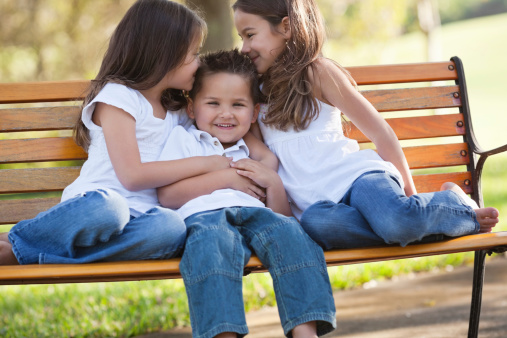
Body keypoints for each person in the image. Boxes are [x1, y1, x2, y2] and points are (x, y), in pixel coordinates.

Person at [0, 0, 267, 266]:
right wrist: (211, 164)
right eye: (193, 54)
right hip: (96, 209)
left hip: (142, 220)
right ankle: (21, 242)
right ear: (163, 55)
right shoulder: (119, 98)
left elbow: (224, 131)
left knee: (172, 227)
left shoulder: (176, 109)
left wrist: (257, 154)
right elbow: (132, 176)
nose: (198, 64)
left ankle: (27, 254)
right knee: (109, 208)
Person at [231, 0, 500, 251]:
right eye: (241, 37)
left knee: (397, 222)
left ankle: (454, 205)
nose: (244, 47)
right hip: (321, 209)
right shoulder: (256, 94)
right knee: (316, 224)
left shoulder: (318, 72)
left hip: (359, 180)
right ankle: (412, 224)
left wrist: (409, 201)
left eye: (250, 34)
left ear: (286, 27)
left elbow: (381, 133)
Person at [156, 49, 336, 338]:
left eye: (238, 104)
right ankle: (223, 333)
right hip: (207, 219)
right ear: (191, 109)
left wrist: (274, 183)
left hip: (258, 216)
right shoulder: (185, 140)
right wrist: (226, 180)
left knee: (293, 237)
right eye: (213, 103)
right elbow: (167, 196)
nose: (225, 113)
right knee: (210, 250)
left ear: (253, 113)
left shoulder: (252, 150)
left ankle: (305, 332)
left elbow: (281, 215)